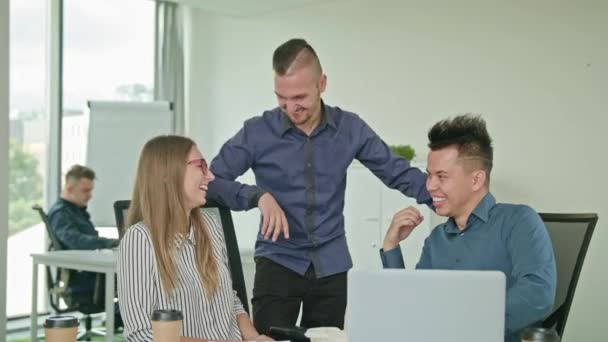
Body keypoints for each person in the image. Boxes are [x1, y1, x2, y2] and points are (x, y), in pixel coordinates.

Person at [207, 38, 432, 334]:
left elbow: (396, 171)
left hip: (332, 265)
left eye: (299, 96)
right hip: (277, 262)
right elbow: (210, 183)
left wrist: (447, 198)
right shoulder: (256, 132)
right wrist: (257, 195)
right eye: (281, 98)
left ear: (321, 83)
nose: (290, 107)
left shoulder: (350, 129)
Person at [380, 114, 556, 342]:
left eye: (441, 176)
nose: (430, 186)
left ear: (476, 180)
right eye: (429, 176)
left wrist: (465, 327)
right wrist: (391, 246)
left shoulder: (519, 221)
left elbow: (537, 295)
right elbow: (412, 306)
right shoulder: (436, 240)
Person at [117, 135, 272, 342]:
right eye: (200, 166)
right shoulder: (140, 239)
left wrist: (253, 337)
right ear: (167, 174)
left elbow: (229, 298)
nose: (210, 176)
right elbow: (141, 333)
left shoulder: (210, 226)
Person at [48, 164, 119, 308]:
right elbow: (75, 241)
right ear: (69, 189)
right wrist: (110, 243)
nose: (90, 195)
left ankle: (121, 317)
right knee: (137, 277)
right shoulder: (60, 213)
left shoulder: (77, 211)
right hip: (82, 279)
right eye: (86, 191)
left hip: (92, 272)